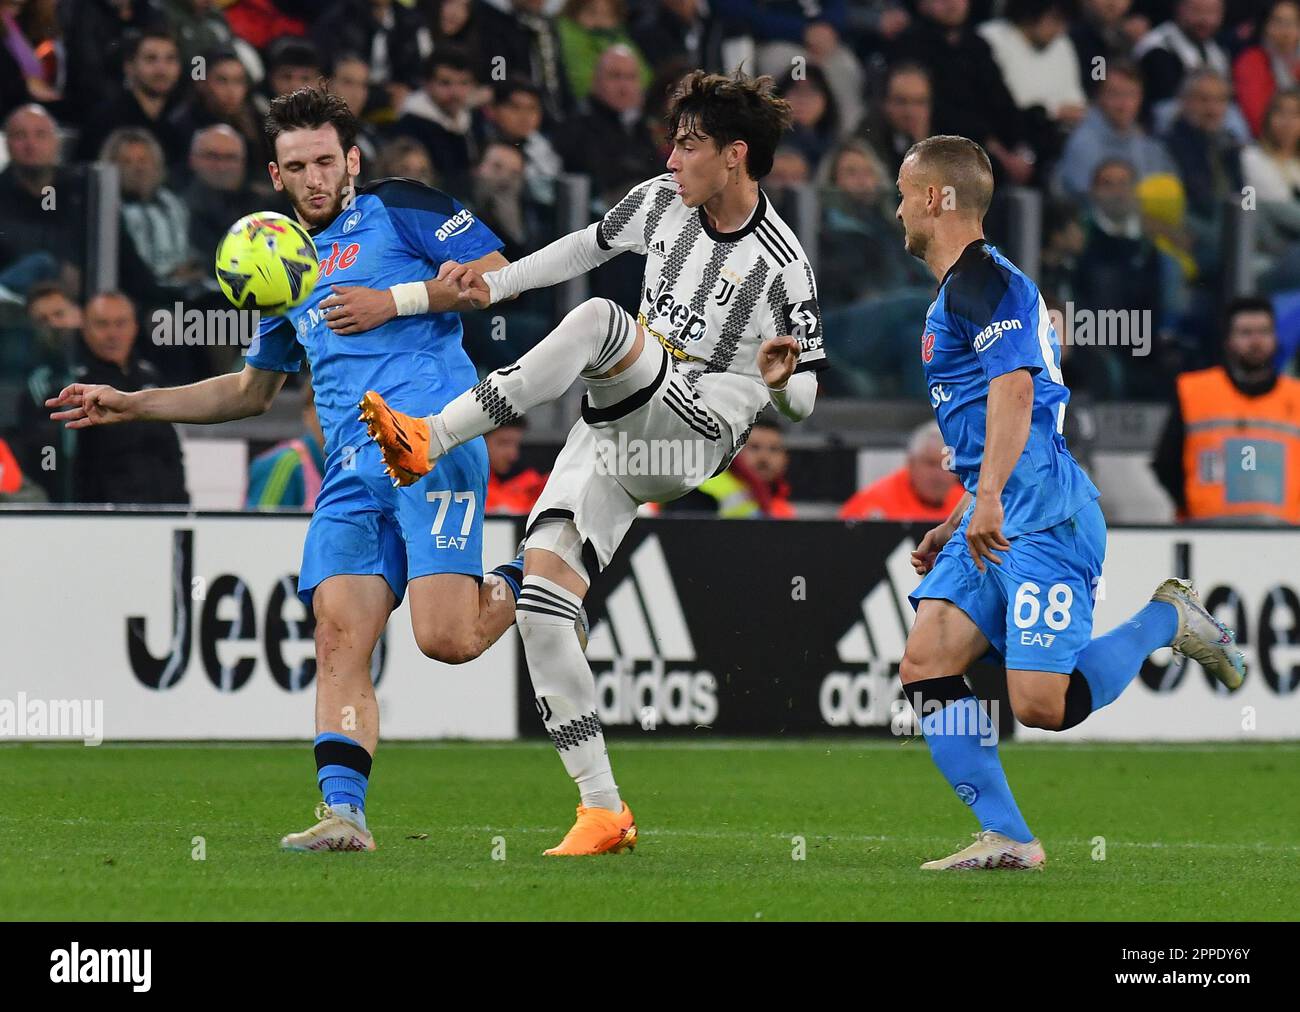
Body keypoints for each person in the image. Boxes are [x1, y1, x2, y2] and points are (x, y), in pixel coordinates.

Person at [47, 87, 538, 854]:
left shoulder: (402, 206)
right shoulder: (282, 265)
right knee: (340, 635)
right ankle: (345, 814)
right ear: (275, 176)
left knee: (446, 640)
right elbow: (248, 391)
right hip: (350, 468)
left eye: (324, 161)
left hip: (432, 443)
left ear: (352, 160)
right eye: (295, 166)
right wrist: (132, 402)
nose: (313, 178)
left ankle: (541, 571)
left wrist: (396, 300)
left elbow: (495, 277)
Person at [359, 70, 826, 856]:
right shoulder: (659, 202)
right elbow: (584, 245)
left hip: (691, 431)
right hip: (617, 422)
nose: (671, 158)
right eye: (673, 142)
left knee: (605, 319)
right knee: (543, 608)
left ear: (736, 155)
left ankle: (431, 436)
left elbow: (809, 394)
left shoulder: (783, 265)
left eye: (689, 145)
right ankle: (602, 809)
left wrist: (781, 385)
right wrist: (494, 284)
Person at [893, 134, 1245, 871]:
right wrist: (963, 511)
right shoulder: (972, 289)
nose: (897, 210)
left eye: (903, 194)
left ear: (934, 198)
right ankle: (1011, 839)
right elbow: (1022, 411)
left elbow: (1016, 391)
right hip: (995, 513)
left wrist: (984, 498)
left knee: (1040, 705)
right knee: (926, 660)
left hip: (1044, 515)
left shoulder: (982, 282)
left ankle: (1167, 618)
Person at [1151, 296, 1300, 523]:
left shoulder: (1296, 397)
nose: (1256, 341)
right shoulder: (1195, 392)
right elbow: (1166, 463)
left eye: (1264, 332)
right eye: (1246, 333)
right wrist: (1194, 504)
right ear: (1228, 340)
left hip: (1285, 539)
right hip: (1207, 537)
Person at [839, 421, 964, 521]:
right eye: (930, 464)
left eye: (947, 465)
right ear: (911, 463)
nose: (939, 475)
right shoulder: (875, 504)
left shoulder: (968, 506)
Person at [246, 373, 327, 509]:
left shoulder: (356, 464)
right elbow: (260, 527)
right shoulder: (284, 464)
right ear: (307, 413)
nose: (338, 418)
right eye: (327, 406)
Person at [484, 418, 547, 515]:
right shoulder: (465, 484)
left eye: (516, 445)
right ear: (480, 442)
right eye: (504, 443)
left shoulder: (533, 484)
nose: (513, 455)